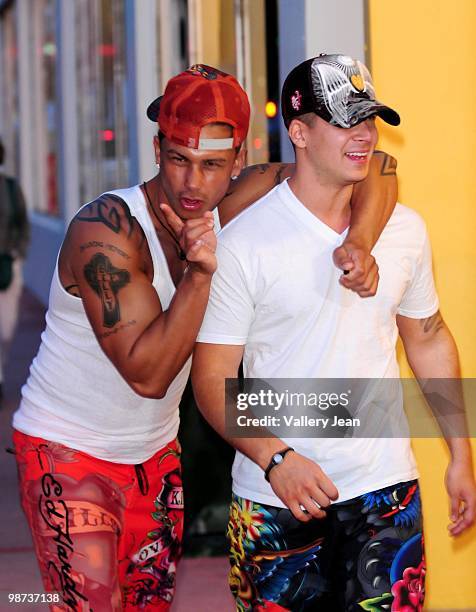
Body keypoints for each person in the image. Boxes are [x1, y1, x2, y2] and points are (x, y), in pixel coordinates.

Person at [12, 64, 398, 610]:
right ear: (156, 148)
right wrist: (199, 274)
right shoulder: (105, 229)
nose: (194, 185)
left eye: (213, 165)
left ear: (238, 162)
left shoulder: (236, 197)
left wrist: (360, 242)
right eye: (179, 160)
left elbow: (377, 166)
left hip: (155, 457)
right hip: (68, 449)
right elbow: (148, 374)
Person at [192, 54, 476, 611]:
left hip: (385, 493)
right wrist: (277, 459)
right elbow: (211, 378)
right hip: (275, 499)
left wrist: (460, 454)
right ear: (298, 132)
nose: (365, 136)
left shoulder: (404, 231)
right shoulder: (244, 243)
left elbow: (428, 338)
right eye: (346, 121)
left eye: (368, 120)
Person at [0, 138, 30, 402]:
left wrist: (16, 253)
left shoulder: (10, 188)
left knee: (6, 328)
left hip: (7, 263)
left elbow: (22, 222)